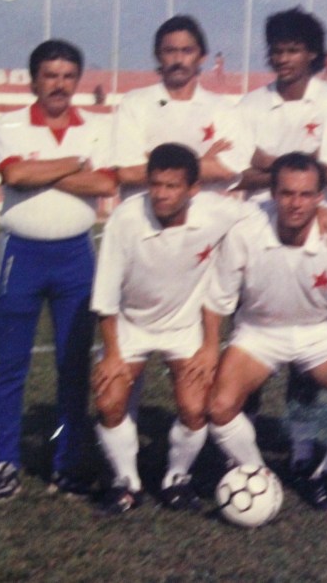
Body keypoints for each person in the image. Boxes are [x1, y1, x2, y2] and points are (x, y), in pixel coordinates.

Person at [90, 143, 253, 514]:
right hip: (131, 323)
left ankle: (176, 479)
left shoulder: (217, 211)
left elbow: (263, 216)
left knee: (195, 408)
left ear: (193, 189)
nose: (161, 194)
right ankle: (127, 482)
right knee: (109, 401)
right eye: (156, 185)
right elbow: (105, 293)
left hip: (184, 324)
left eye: (172, 186)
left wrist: (324, 214)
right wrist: (112, 353)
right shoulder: (126, 219)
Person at [0, 39, 117, 499]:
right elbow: (15, 176)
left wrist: (43, 171)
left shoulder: (96, 127)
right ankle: (4, 462)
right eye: (50, 75)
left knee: (73, 366)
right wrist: (73, 165)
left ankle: (66, 463)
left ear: (77, 80)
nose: (59, 85)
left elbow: (104, 183)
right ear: (34, 80)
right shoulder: (11, 124)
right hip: (21, 255)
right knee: (11, 365)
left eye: (67, 76)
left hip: (75, 256)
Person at [206, 152, 327, 510]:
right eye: (287, 193)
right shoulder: (245, 230)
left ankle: (325, 475)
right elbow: (217, 302)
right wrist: (209, 350)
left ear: (320, 196)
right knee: (220, 407)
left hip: (321, 334)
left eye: (306, 195)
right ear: (273, 194)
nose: (296, 203)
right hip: (258, 332)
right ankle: (259, 476)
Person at [111, 15, 253, 198]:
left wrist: (154, 163)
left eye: (187, 51)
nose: (178, 59)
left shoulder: (222, 108)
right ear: (158, 55)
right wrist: (202, 162)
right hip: (145, 211)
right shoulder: (135, 103)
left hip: (202, 211)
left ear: (202, 57)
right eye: (170, 51)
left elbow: (227, 169)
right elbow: (127, 173)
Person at [235, 8, 327, 199]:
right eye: (277, 52)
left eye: (293, 51)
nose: (283, 59)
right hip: (258, 212)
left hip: (313, 213)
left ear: (312, 53)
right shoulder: (250, 104)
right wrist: (311, 163)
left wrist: (269, 164)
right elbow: (237, 178)